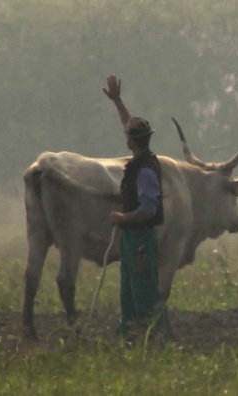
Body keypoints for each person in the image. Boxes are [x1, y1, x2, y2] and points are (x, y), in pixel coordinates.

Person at [102, 75, 165, 340]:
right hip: (130, 239)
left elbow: (148, 210)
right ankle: (129, 339)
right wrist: (118, 101)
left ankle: (152, 339)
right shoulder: (141, 161)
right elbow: (129, 125)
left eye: (128, 135)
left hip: (140, 239)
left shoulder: (146, 172)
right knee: (127, 291)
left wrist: (121, 218)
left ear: (131, 142)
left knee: (143, 292)